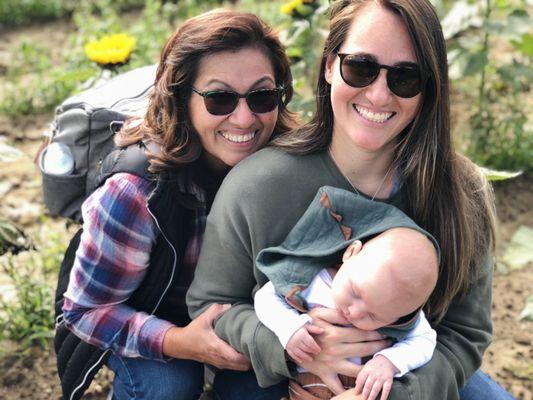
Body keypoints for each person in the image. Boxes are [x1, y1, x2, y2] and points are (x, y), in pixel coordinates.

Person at [187, 0, 514, 399]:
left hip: (403, 376)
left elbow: (464, 334)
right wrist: (289, 351)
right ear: (329, 66)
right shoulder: (258, 184)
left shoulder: (462, 194)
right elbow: (212, 304)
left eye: (405, 77)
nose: (378, 95)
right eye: (360, 67)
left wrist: (389, 394)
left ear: (429, 87)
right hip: (275, 375)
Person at [61, 9, 297, 400]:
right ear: (182, 98)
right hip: (152, 314)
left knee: (262, 389)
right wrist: (180, 342)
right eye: (219, 98)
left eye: (262, 96)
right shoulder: (136, 193)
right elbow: (85, 312)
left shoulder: (292, 169)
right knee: (167, 386)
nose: (244, 118)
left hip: (247, 318)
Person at [254, 186, 440, 400]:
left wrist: (389, 362)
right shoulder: (313, 281)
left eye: (373, 316)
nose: (355, 312)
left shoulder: (399, 316)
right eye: (356, 292)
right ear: (351, 252)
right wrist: (289, 328)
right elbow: (266, 297)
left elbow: (425, 341)